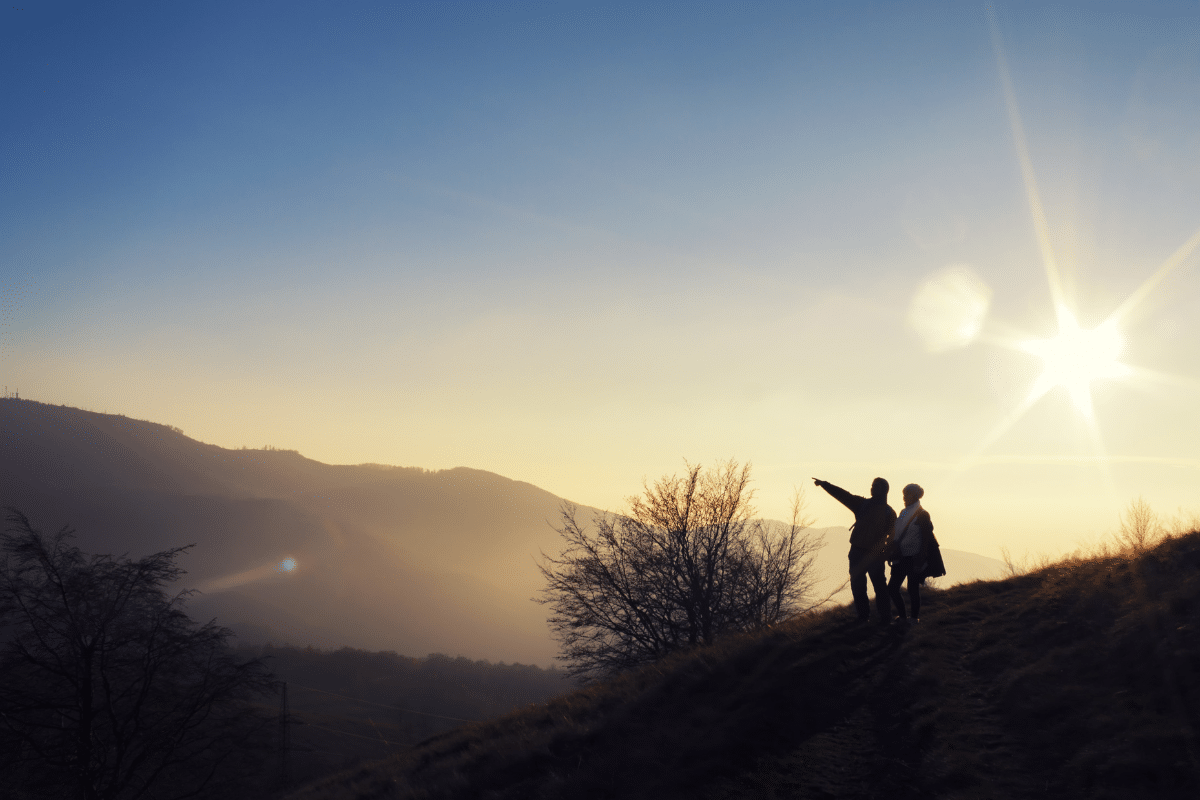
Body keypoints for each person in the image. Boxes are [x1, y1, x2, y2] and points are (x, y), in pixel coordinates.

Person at [813, 477, 896, 625]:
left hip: (872, 554)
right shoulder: (865, 505)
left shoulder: (886, 511)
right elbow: (843, 495)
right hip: (859, 552)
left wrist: (886, 553)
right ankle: (865, 617)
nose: (872, 488)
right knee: (859, 586)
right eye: (872, 485)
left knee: (879, 587)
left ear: (884, 490)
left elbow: (892, 536)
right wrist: (826, 485)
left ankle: (884, 618)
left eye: (875, 486)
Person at [887, 483, 935, 625]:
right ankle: (904, 618)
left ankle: (912, 619)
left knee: (912, 589)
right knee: (894, 588)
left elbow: (925, 538)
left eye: (906, 494)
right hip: (901, 556)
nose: (904, 497)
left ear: (914, 495)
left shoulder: (922, 514)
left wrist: (921, 558)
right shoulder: (904, 512)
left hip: (914, 557)